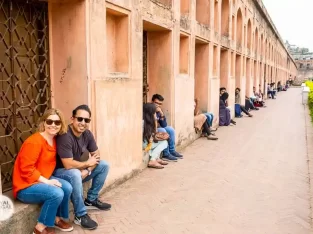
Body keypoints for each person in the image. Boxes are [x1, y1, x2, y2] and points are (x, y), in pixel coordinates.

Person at [13, 108, 73, 234]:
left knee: (67, 187)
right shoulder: (34, 142)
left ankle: (56, 218)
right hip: (25, 186)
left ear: (61, 125)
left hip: (40, 180)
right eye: (49, 121)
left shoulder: (54, 140)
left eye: (57, 122)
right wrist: (47, 182)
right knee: (56, 193)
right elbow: (26, 169)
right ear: (44, 123)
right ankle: (39, 228)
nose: (53, 125)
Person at [53, 105, 111, 230]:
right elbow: (68, 164)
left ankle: (91, 200)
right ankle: (80, 215)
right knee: (74, 173)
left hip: (79, 171)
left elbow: (97, 156)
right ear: (72, 119)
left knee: (104, 165)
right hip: (61, 174)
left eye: (86, 120)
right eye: (79, 119)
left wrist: (88, 170)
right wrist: (86, 165)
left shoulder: (87, 134)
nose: (83, 123)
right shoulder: (65, 136)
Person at [152, 94, 183, 161]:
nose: (158, 105)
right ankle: (166, 154)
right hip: (150, 129)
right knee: (163, 130)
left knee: (170, 129)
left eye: (160, 104)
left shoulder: (159, 111)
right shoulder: (148, 109)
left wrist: (161, 113)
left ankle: (172, 150)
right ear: (152, 102)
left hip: (157, 128)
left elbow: (164, 124)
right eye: (156, 103)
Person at [143, 103, 169, 169]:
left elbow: (154, 132)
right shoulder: (142, 123)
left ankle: (156, 158)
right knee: (164, 143)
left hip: (147, 142)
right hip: (144, 144)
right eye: (154, 112)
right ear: (150, 113)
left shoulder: (148, 122)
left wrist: (155, 120)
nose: (155, 114)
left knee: (163, 141)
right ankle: (153, 160)